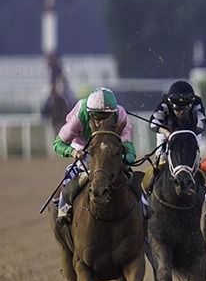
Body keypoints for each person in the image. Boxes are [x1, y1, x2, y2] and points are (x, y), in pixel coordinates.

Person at [52, 87, 141, 223]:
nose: (101, 122)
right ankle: (63, 209)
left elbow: (130, 151)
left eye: (106, 116)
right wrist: (73, 152)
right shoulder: (80, 115)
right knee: (77, 176)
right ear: (89, 113)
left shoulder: (121, 116)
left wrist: (122, 159)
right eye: (97, 117)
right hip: (84, 148)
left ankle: (144, 210)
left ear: (114, 112)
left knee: (130, 179)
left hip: (110, 150)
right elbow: (57, 144)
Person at [146, 79, 206, 190]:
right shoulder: (164, 104)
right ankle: (151, 185)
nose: (182, 112)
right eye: (178, 109)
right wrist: (166, 133)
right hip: (168, 131)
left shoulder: (197, 103)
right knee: (162, 158)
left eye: (185, 108)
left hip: (191, 131)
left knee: (196, 161)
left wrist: (187, 135)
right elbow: (153, 123)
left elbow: (202, 124)